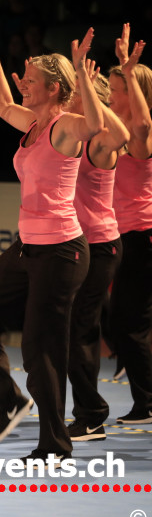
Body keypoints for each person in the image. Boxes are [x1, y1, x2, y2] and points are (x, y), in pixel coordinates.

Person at [0, 13, 102, 465]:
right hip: (28, 247)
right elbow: (2, 104)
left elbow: (95, 125)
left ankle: (55, 444)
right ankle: (8, 401)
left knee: (40, 349)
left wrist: (82, 73)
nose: (23, 84)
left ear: (54, 89)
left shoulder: (66, 126)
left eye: (31, 80)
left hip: (61, 251)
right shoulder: (33, 124)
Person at [67, 60, 129, 441]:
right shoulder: (73, 134)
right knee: (75, 328)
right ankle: (86, 411)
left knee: (81, 329)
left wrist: (89, 90)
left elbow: (123, 134)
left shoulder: (102, 141)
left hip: (101, 245)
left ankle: (91, 416)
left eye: (78, 94)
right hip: (77, 245)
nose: (72, 98)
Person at [107, 24, 152, 425]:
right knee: (123, 320)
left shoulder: (140, 137)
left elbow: (143, 125)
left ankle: (147, 403)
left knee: (131, 322)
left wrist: (128, 70)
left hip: (142, 235)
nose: (109, 93)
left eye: (115, 87)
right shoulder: (115, 134)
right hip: (125, 236)